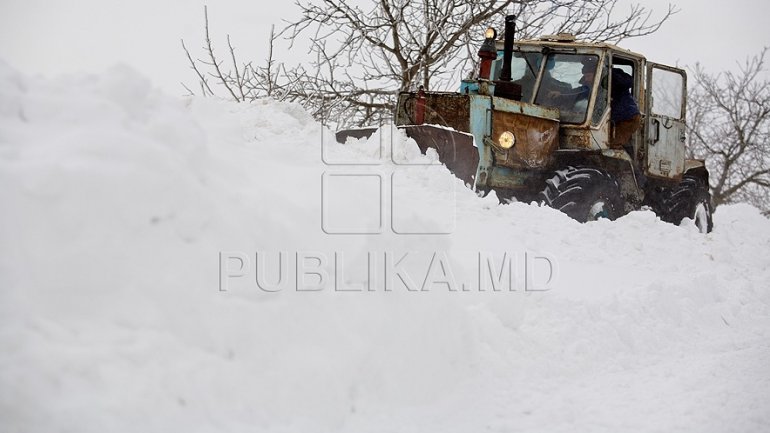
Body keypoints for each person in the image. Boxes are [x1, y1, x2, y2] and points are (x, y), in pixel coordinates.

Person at [610, 68, 642, 148]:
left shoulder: (614, 83)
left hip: (627, 118)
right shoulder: (594, 86)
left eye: (587, 75)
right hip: (621, 117)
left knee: (615, 146)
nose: (585, 78)